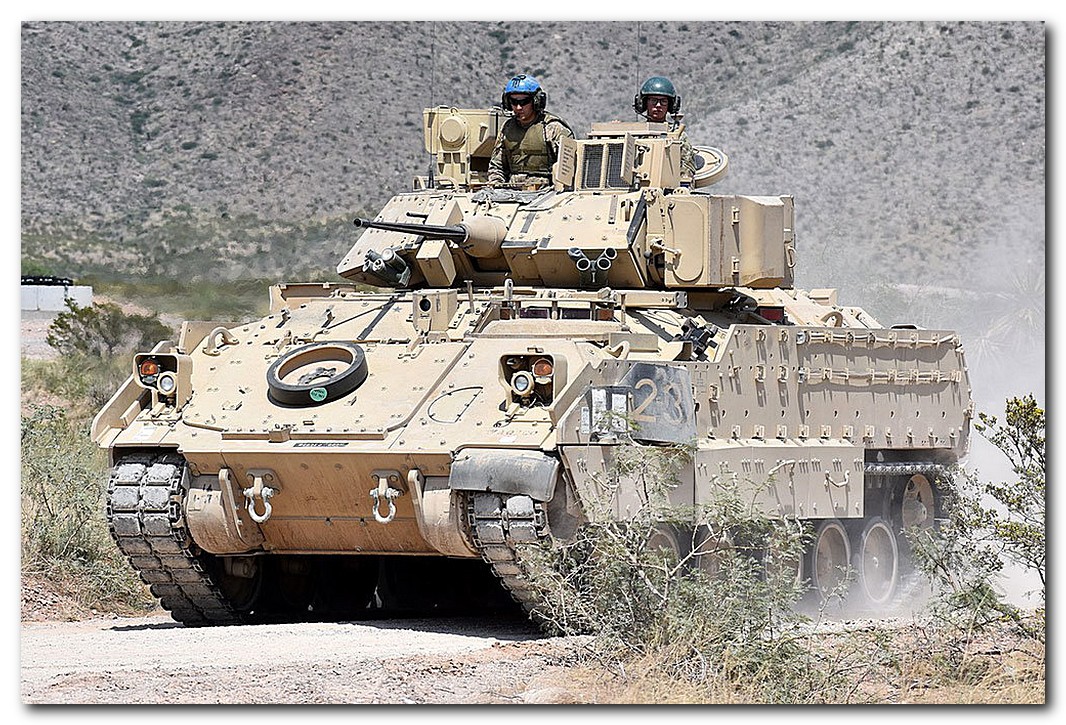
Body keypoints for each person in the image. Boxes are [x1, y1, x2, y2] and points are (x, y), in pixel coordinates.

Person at [487, 74, 574, 186]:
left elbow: (568, 169)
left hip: (547, 191)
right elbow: (497, 166)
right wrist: (497, 185)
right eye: (514, 102)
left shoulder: (552, 128)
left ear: (536, 101)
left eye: (524, 102)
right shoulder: (507, 128)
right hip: (512, 191)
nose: (518, 107)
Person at [633, 76, 696, 177]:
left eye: (663, 101)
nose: (658, 105)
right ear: (644, 103)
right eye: (653, 100)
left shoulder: (677, 135)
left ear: (671, 105)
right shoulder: (635, 133)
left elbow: (687, 169)